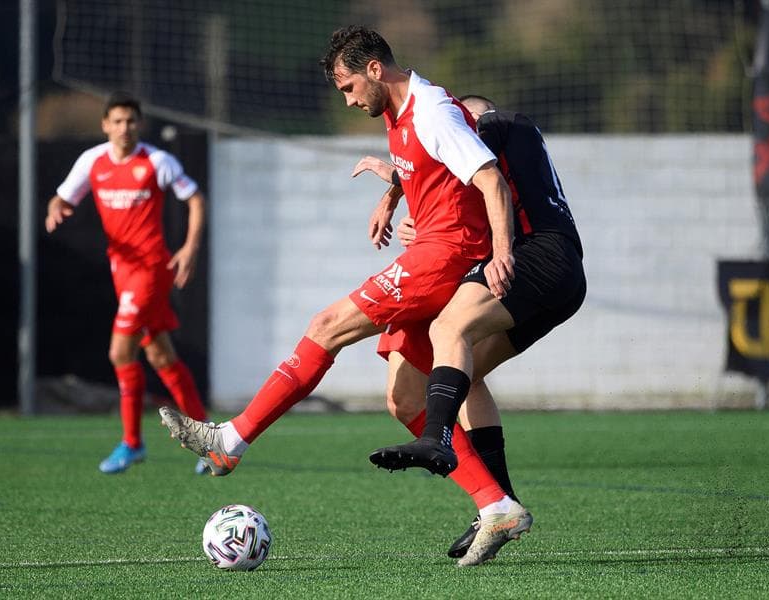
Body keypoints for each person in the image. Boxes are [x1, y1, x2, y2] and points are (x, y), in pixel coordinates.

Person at [158, 25, 529, 566]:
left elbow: (489, 177)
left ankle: (230, 440)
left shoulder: (432, 109)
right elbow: (426, 164)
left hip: (445, 255)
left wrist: (500, 252)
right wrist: (392, 193)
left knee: (326, 325)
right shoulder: (397, 113)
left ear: (375, 69)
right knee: (405, 398)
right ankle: (496, 505)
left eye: (349, 86)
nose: (349, 99)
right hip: (435, 248)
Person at [353, 94, 586, 560]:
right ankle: (499, 507)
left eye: (463, 120)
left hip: (538, 256)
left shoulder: (497, 123)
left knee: (447, 329)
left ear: (474, 116)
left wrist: (396, 183)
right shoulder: (514, 143)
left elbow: (449, 156)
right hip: (560, 274)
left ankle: (434, 437)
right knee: (464, 372)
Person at [45, 91, 210, 475]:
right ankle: (209, 439)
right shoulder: (93, 161)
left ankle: (132, 443)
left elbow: (196, 199)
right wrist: (57, 206)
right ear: (105, 125)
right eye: (117, 121)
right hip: (121, 270)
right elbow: (62, 197)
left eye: (131, 121)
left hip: (151, 269)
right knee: (161, 356)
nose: (124, 127)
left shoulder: (156, 161)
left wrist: (189, 248)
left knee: (120, 352)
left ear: (140, 124)